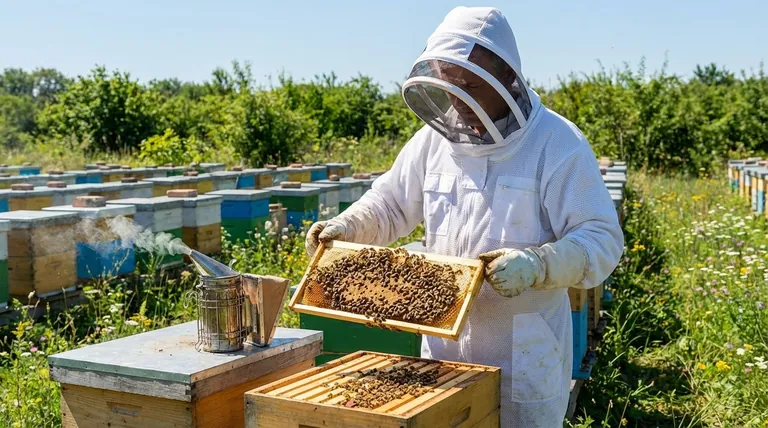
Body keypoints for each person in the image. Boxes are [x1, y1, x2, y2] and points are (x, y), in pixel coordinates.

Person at [305, 6, 623, 426]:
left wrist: (539, 265)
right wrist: (346, 227)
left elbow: (601, 239)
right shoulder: (433, 141)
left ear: (507, 79)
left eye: (472, 87)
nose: (459, 101)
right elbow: (390, 203)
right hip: (441, 357)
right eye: (451, 87)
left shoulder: (557, 144)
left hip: (522, 361)